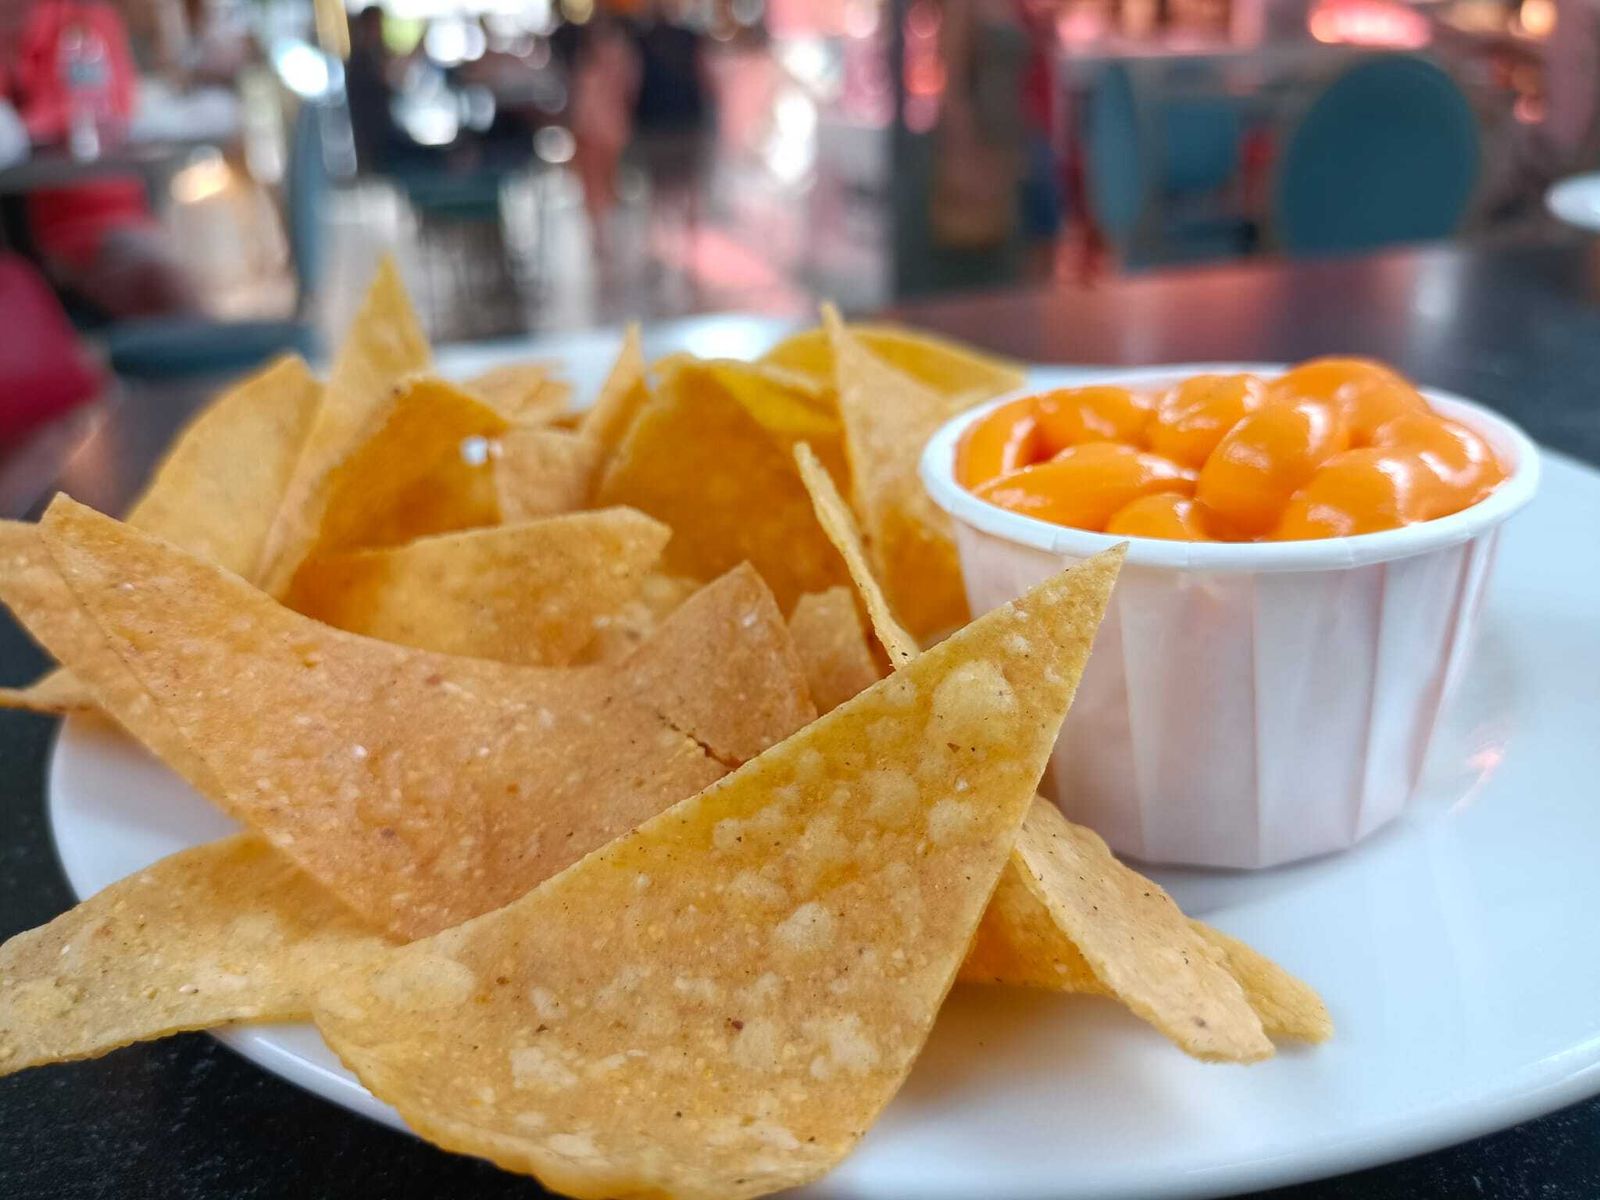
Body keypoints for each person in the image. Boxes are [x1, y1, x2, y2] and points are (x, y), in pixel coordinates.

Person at [5, 0, 198, 318]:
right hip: (34, 228)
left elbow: (109, 108)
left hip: (98, 217)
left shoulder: (85, 22)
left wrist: (25, 126)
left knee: (166, 290)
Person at [569, 14, 638, 250]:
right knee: (592, 186)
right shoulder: (587, 64)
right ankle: (600, 235)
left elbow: (628, 91)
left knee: (608, 184)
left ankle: (608, 236)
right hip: (591, 129)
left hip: (607, 128)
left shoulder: (619, 61)